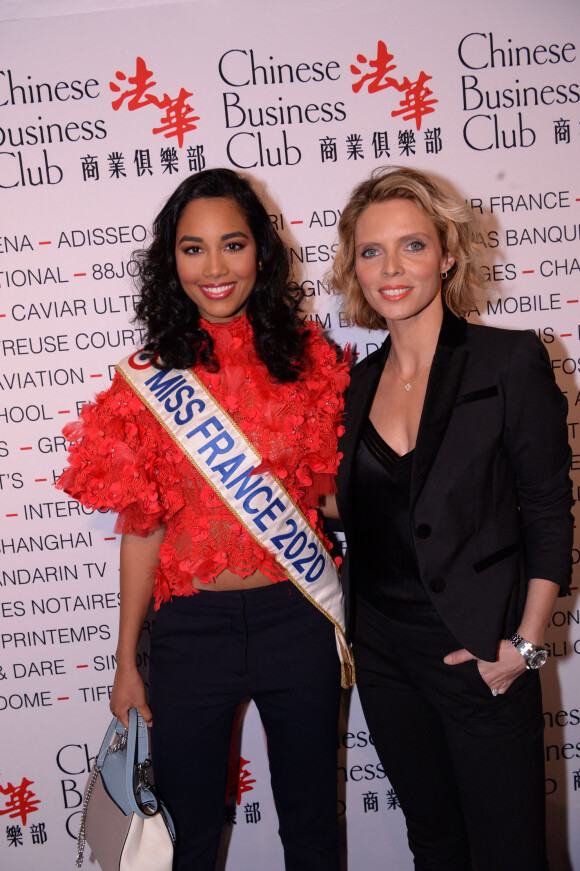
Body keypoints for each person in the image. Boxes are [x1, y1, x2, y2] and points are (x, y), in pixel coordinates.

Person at [57, 168, 351, 871]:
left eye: (233, 244)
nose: (215, 268)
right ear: (171, 260)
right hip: (190, 633)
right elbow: (143, 527)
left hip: (297, 619)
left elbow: (334, 496)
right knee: (185, 840)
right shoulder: (150, 379)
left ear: (262, 252)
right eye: (194, 248)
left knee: (312, 825)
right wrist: (128, 660)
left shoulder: (311, 361)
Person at [329, 166, 573, 871]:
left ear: (448, 253)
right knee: (434, 842)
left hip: (480, 653)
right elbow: (374, 509)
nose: (391, 268)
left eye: (411, 246)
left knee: (509, 852)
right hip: (383, 654)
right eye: (371, 251)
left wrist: (524, 649)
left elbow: (550, 510)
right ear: (354, 266)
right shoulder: (353, 386)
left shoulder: (508, 359)